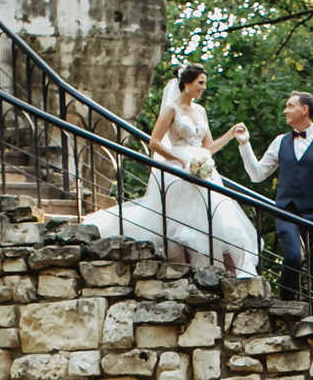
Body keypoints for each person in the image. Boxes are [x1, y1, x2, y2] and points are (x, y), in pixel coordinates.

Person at [80, 64, 260, 276]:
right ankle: (188, 272)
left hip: (204, 171)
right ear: (187, 83)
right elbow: (154, 142)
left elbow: (208, 147)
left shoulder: (200, 111)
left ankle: (228, 273)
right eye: (200, 83)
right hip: (178, 170)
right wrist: (179, 161)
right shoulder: (171, 109)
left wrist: (230, 134)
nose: (203, 87)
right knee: (183, 222)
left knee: (217, 219)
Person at [239, 92, 313, 315]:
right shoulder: (280, 142)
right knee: (293, 256)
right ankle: (285, 310)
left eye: (290, 106)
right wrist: (244, 144)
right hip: (285, 212)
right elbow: (257, 174)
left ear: (304, 109)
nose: (285, 110)